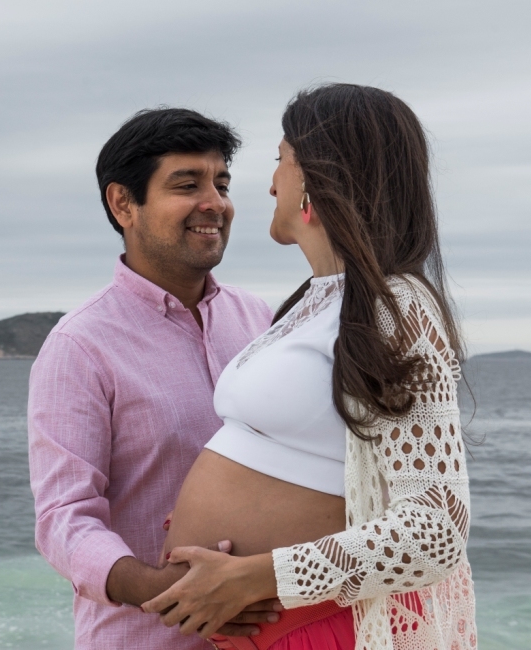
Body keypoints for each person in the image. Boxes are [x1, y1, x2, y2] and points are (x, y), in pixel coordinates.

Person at [140, 84, 477, 650]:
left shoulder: (396, 307)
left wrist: (256, 573)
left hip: (324, 627)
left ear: (319, 180)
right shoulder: (315, 302)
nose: (271, 184)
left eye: (281, 162)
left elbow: (437, 529)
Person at [28, 108, 276, 649]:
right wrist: (162, 590)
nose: (215, 203)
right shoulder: (80, 346)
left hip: (275, 636)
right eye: (187, 185)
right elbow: (64, 517)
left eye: (222, 183)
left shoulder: (263, 321)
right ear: (124, 204)